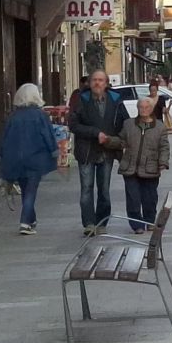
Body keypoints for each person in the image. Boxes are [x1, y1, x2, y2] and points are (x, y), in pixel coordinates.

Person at [67, 69, 127, 235]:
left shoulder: (115, 100)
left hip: (107, 151)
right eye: (94, 80)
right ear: (89, 82)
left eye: (101, 80)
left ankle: (102, 221)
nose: (97, 83)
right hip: (86, 151)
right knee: (86, 188)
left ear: (106, 83)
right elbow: (73, 125)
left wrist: (120, 140)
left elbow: (124, 122)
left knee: (104, 189)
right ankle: (89, 223)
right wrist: (95, 133)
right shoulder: (81, 99)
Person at [0, 83, 57, 235]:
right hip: (35, 158)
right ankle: (25, 222)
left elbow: (5, 137)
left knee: (26, 190)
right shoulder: (41, 115)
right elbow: (48, 135)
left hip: (16, 160)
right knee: (31, 191)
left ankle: (31, 219)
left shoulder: (13, 117)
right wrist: (54, 151)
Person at [117, 91, 172, 232]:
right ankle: (137, 225)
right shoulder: (128, 124)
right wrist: (108, 142)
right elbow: (120, 141)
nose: (143, 110)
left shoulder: (159, 127)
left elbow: (164, 146)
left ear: (152, 109)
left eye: (147, 107)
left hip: (150, 167)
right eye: (141, 107)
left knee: (150, 198)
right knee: (133, 198)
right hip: (130, 167)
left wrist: (163, 162)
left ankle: (149, 220)